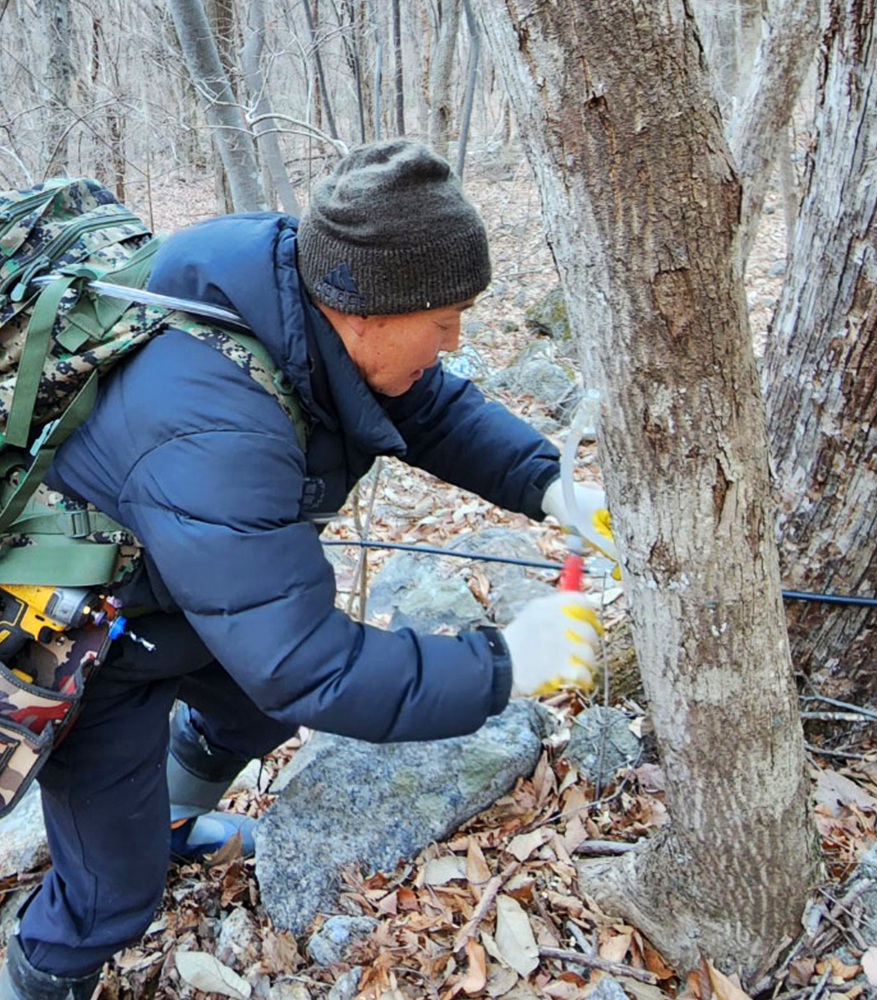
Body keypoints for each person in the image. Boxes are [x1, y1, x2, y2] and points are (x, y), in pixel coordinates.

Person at [0, 140, 609, 999]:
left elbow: (424, 402)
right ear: (365, 314)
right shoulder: (211, 427)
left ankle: (171, 816)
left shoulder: (294, 287)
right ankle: (37, 977)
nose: (454, 339)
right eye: (442, 320)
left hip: (186, 592)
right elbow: (307, 667)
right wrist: (509, 665)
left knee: (250, 714)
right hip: (92, 639)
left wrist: (546, 483)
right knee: (110, 895)